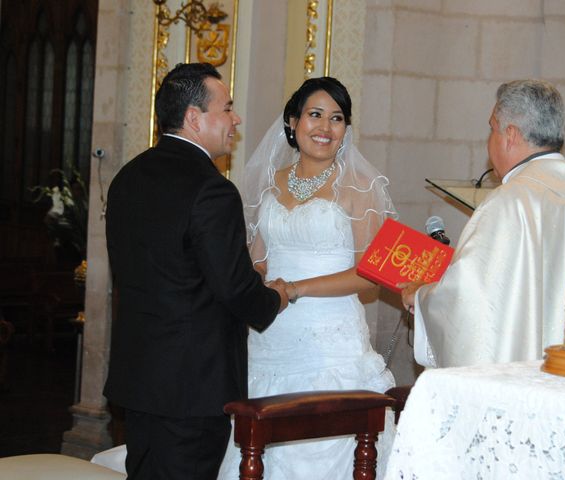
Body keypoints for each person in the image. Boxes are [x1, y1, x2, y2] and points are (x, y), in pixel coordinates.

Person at [102, 63, 289, 480]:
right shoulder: (212, 190)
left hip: (140, 379)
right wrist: (276, 296)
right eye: (227, 108)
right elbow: (237, 290)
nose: (235, 119)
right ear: (193, 117)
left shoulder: (127, 178)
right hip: (192, 387)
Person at [217, 77, 397, 479]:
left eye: (337, 118)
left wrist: (295, 289)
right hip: (272, 337)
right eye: (315, 115)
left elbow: (370, 277)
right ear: (294, 122)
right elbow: (260, 259)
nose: (325, 127)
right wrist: (251, 278)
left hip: (330, 341)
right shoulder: (269, 183)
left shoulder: (361, 188)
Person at [401, 79, 565, 368]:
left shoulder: (510, 202)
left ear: (511, 135)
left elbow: (469, 300)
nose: (490, 140)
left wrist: (421, 295)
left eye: (492, 128)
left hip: (518, 378)